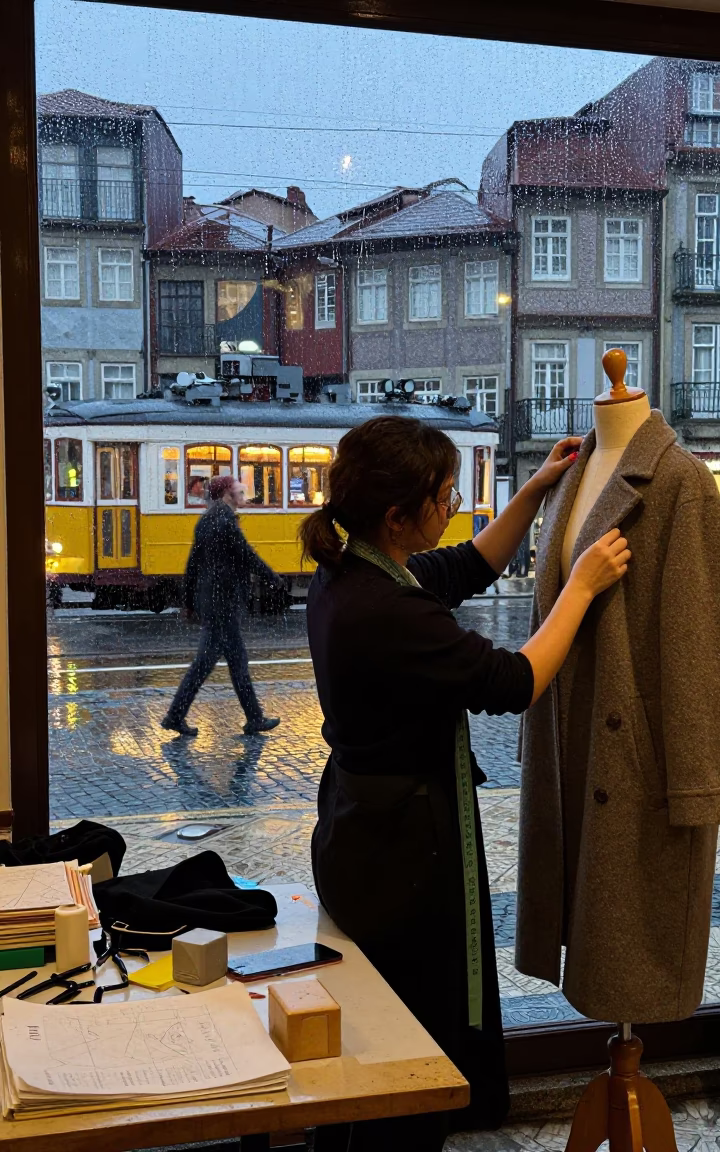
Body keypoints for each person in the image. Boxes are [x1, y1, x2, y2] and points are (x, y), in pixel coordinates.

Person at [301, 416, 630, 1152]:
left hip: (366, 825)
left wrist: (539, 489)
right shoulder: (384, 609)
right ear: (396, 515)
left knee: (386, 1026)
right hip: (402, 852)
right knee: (413, 1038)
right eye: (444, 493)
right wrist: (579, 586)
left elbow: (469, 564)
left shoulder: (358, 568)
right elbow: (514, 681)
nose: (453, 503)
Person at [162, 475, 281, 737]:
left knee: (232, 661)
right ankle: (176, 715)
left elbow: (192, 564)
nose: (243, 495)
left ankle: (253, 717)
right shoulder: (224, 521)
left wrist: (191, 602)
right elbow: (246, 554)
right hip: (222, 601)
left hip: (212, 600)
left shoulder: (206, 520)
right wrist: (273, 578)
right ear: (227, 494)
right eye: (240, 491)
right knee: (209, 663)